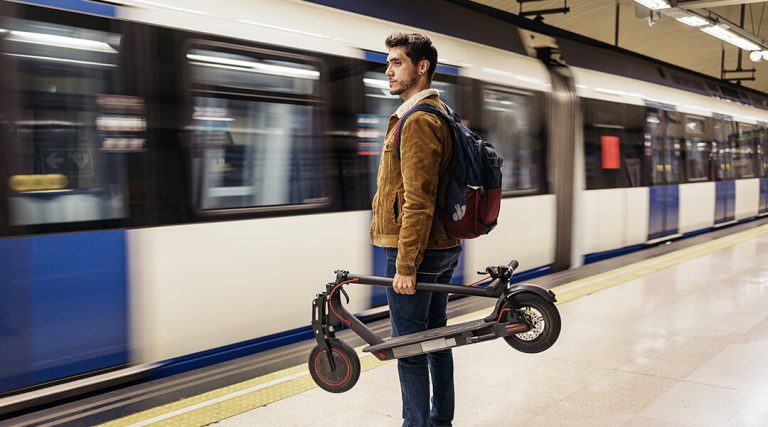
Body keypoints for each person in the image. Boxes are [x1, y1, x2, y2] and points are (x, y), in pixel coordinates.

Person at [370, 32, 462, 427]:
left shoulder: (419, 120)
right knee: (436, 340)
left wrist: (405, 264)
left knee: (409, 348)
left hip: (419, 252)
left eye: (397, 63)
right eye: (388, 62)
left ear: (421, 68)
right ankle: (440, 421)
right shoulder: (439, 111)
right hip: (440, 245)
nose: (388, 70)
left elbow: (418, 201)